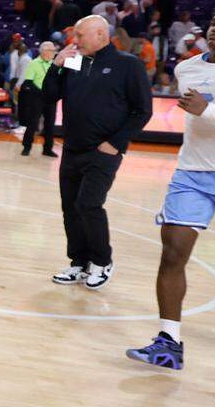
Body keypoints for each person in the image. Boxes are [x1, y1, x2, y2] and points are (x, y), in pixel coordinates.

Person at [126, 0, 215, 369]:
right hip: (192, 173)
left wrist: (211, 111)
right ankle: (169, 341)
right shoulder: (187, 68)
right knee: (173, 250)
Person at [45, 15, 153, 289]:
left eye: (80, 35)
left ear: (102, 35)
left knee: (88, 204)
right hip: (71, 148)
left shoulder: (128, 64)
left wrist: (116, 143)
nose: (74, 40)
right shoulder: (74, 60)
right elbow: (48, 95)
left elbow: (143, 111)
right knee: (70, 207)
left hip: (103, 150)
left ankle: (102, 261)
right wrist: (55, 67)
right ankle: (79, 264)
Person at [16, 41, 59, 157]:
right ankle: (27, 147)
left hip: (51, 98)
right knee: (32, 123)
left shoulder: (55, 64)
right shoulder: (33, 63)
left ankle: (47, 149)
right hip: (37, 97)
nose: (54, 53)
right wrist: (43, 92)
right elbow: (29, 82)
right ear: (44, 52)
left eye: (54, 51)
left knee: (50, 124)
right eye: (51, 51)